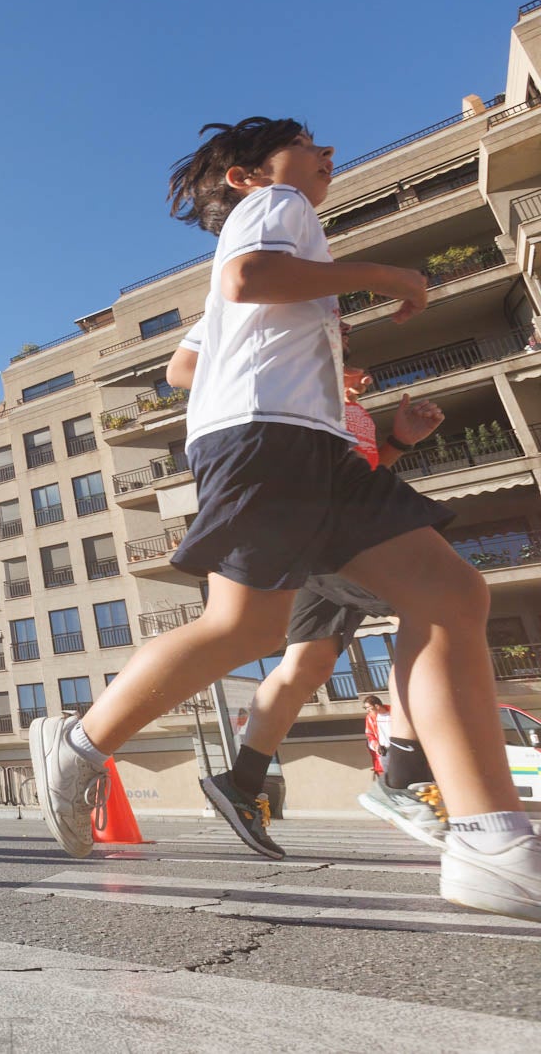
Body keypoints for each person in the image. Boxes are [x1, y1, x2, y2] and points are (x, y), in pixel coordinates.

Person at [30, 116, 541, 922]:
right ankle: (81, 742)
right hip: (270, 441)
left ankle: (491, 836)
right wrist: (385, 276)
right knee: (246, 629)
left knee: (447, 596)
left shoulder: (274, 236)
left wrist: (312, 362)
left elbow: (185, 361)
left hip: (309, 443)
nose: (327, 155)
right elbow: (245, 284)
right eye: (310, 144)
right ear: (247, 174)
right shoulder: (278, 208)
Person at [167, 323, 446, 857]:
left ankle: (243, 784)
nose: (340, 336)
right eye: (332, 332)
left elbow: (359, 477)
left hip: (338, 527)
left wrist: (397, 441)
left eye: (344, 336)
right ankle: (404, 773)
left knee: (308, 665)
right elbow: (187, 373)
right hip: (315, 530)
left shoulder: (349, 407)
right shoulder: (293, 382)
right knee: (434, 607)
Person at [364, 695, 393, 779]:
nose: (367, 710)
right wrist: (376, 746)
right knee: (388, 776)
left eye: (369, 707)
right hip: (384, 750)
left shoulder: (394, 712)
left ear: (377, 706)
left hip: (398, 747)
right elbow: (370, 735)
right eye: (365, 708)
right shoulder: (370, 718)